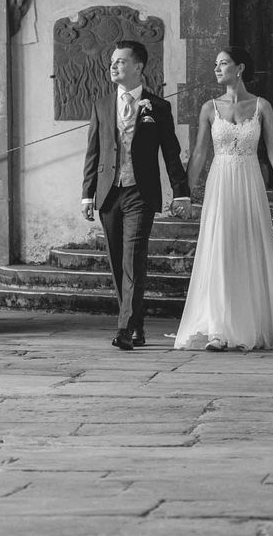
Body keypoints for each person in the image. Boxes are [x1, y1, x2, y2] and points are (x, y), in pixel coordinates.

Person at [172, 46, 273, 351]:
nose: (217, 69)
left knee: (248, 247)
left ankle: (251, 323)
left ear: (240, 68)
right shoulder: (209, 108)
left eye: (223, 64)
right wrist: (183, 193)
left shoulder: (262, 106)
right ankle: (219, 330)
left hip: (249, 183)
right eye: (216, 65)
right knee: (220, 248)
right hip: (220, 183)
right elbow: (198, 154)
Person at [81, 40, 191, 350]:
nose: (113, 66)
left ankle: (125, 328)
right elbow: (93, 153)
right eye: (112, 61)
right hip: (108, 194)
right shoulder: (101, 105)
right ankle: (137, 324)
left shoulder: (158, 107)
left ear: (138, 67)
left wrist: (181, 192)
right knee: (117, 263)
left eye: (120, 61)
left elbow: (171, 152)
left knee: (133, 258)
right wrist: (87, 194)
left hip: (140, 193)